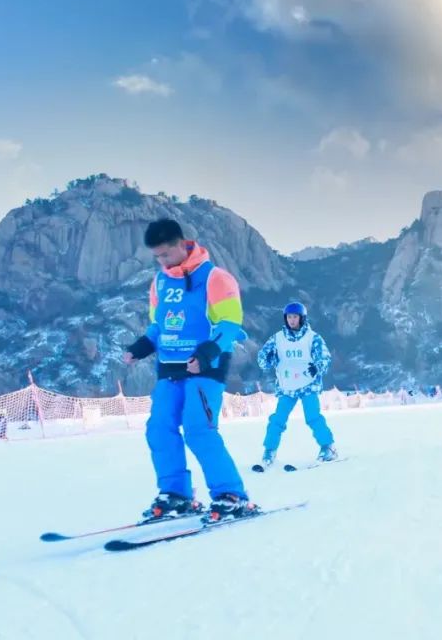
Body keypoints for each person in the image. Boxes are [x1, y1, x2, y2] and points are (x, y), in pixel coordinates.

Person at [123, 219, 255, 523]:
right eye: (157, 257)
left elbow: (229, 325)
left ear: (182, 244)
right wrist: (140, 347)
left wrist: (206, 354)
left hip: (205, 368)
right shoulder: (159, 282)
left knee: (198, 429)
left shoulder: (216, 278)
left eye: (166, 254)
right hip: (169, 368)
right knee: (159, 429)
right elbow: (159, 326)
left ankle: (231, 496)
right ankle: (176, 495)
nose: (162, 261)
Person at [255, 302, 337, 468]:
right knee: (278, 419)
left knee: (313, 417)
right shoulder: (277, 338)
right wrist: (267, 359)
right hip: (287, 386)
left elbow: (325, 357)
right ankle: (269, 451)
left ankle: (328, 447)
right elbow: (262, 357)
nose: (292, 320)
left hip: (308, 384)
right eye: (289, 317)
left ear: (302, 318)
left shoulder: (313, 338)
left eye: (295, 317)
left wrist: (317, 367)